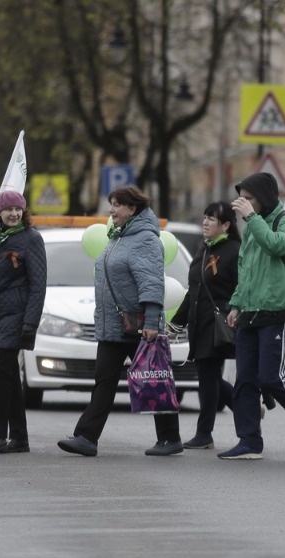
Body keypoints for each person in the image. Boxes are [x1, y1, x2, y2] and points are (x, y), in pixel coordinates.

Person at [57, 185, 182, 457]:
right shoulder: (120, 237)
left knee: (153, 379)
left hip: (139, 327)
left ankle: (170, 438)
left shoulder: (146, 239)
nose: (111, 210)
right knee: (104, 381)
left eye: (116, 205)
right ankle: (86, 438)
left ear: (132, 208)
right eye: (111, 204)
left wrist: (151, 322)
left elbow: (151, 283)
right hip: (114, 326)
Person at [222, 172, 285, 460]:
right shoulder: (251, 228)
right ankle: (249, 441)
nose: (243, 203)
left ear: (264, 197)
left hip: (276, 310)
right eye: (241, 198)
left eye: (249, 198)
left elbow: (279, 245)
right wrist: (236, 304)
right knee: (245, 380)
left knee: (272, 378)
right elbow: (245, 270)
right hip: (249, 312)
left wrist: (252, 218)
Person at [0, 191, 47, 454]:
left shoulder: (31, 240)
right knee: (10, 376)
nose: (13, 214)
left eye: (18, 209)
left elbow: (38, 285)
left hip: (18, 316)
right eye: (8, 209)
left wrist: (31, 323)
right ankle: (20, 438)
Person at [169, 201, 241, 449]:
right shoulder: (203, 249)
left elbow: (242, 288)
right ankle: (246, 406)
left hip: (220, 323)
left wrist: (236, 311)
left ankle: (204, 433)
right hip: (199, 323)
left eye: (212, 218)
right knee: (208, 377)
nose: (206, 222)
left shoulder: (235, 250)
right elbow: (194, 290)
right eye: (205, 217)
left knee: (208, 378)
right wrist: (177, 322)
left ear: (227, 225)